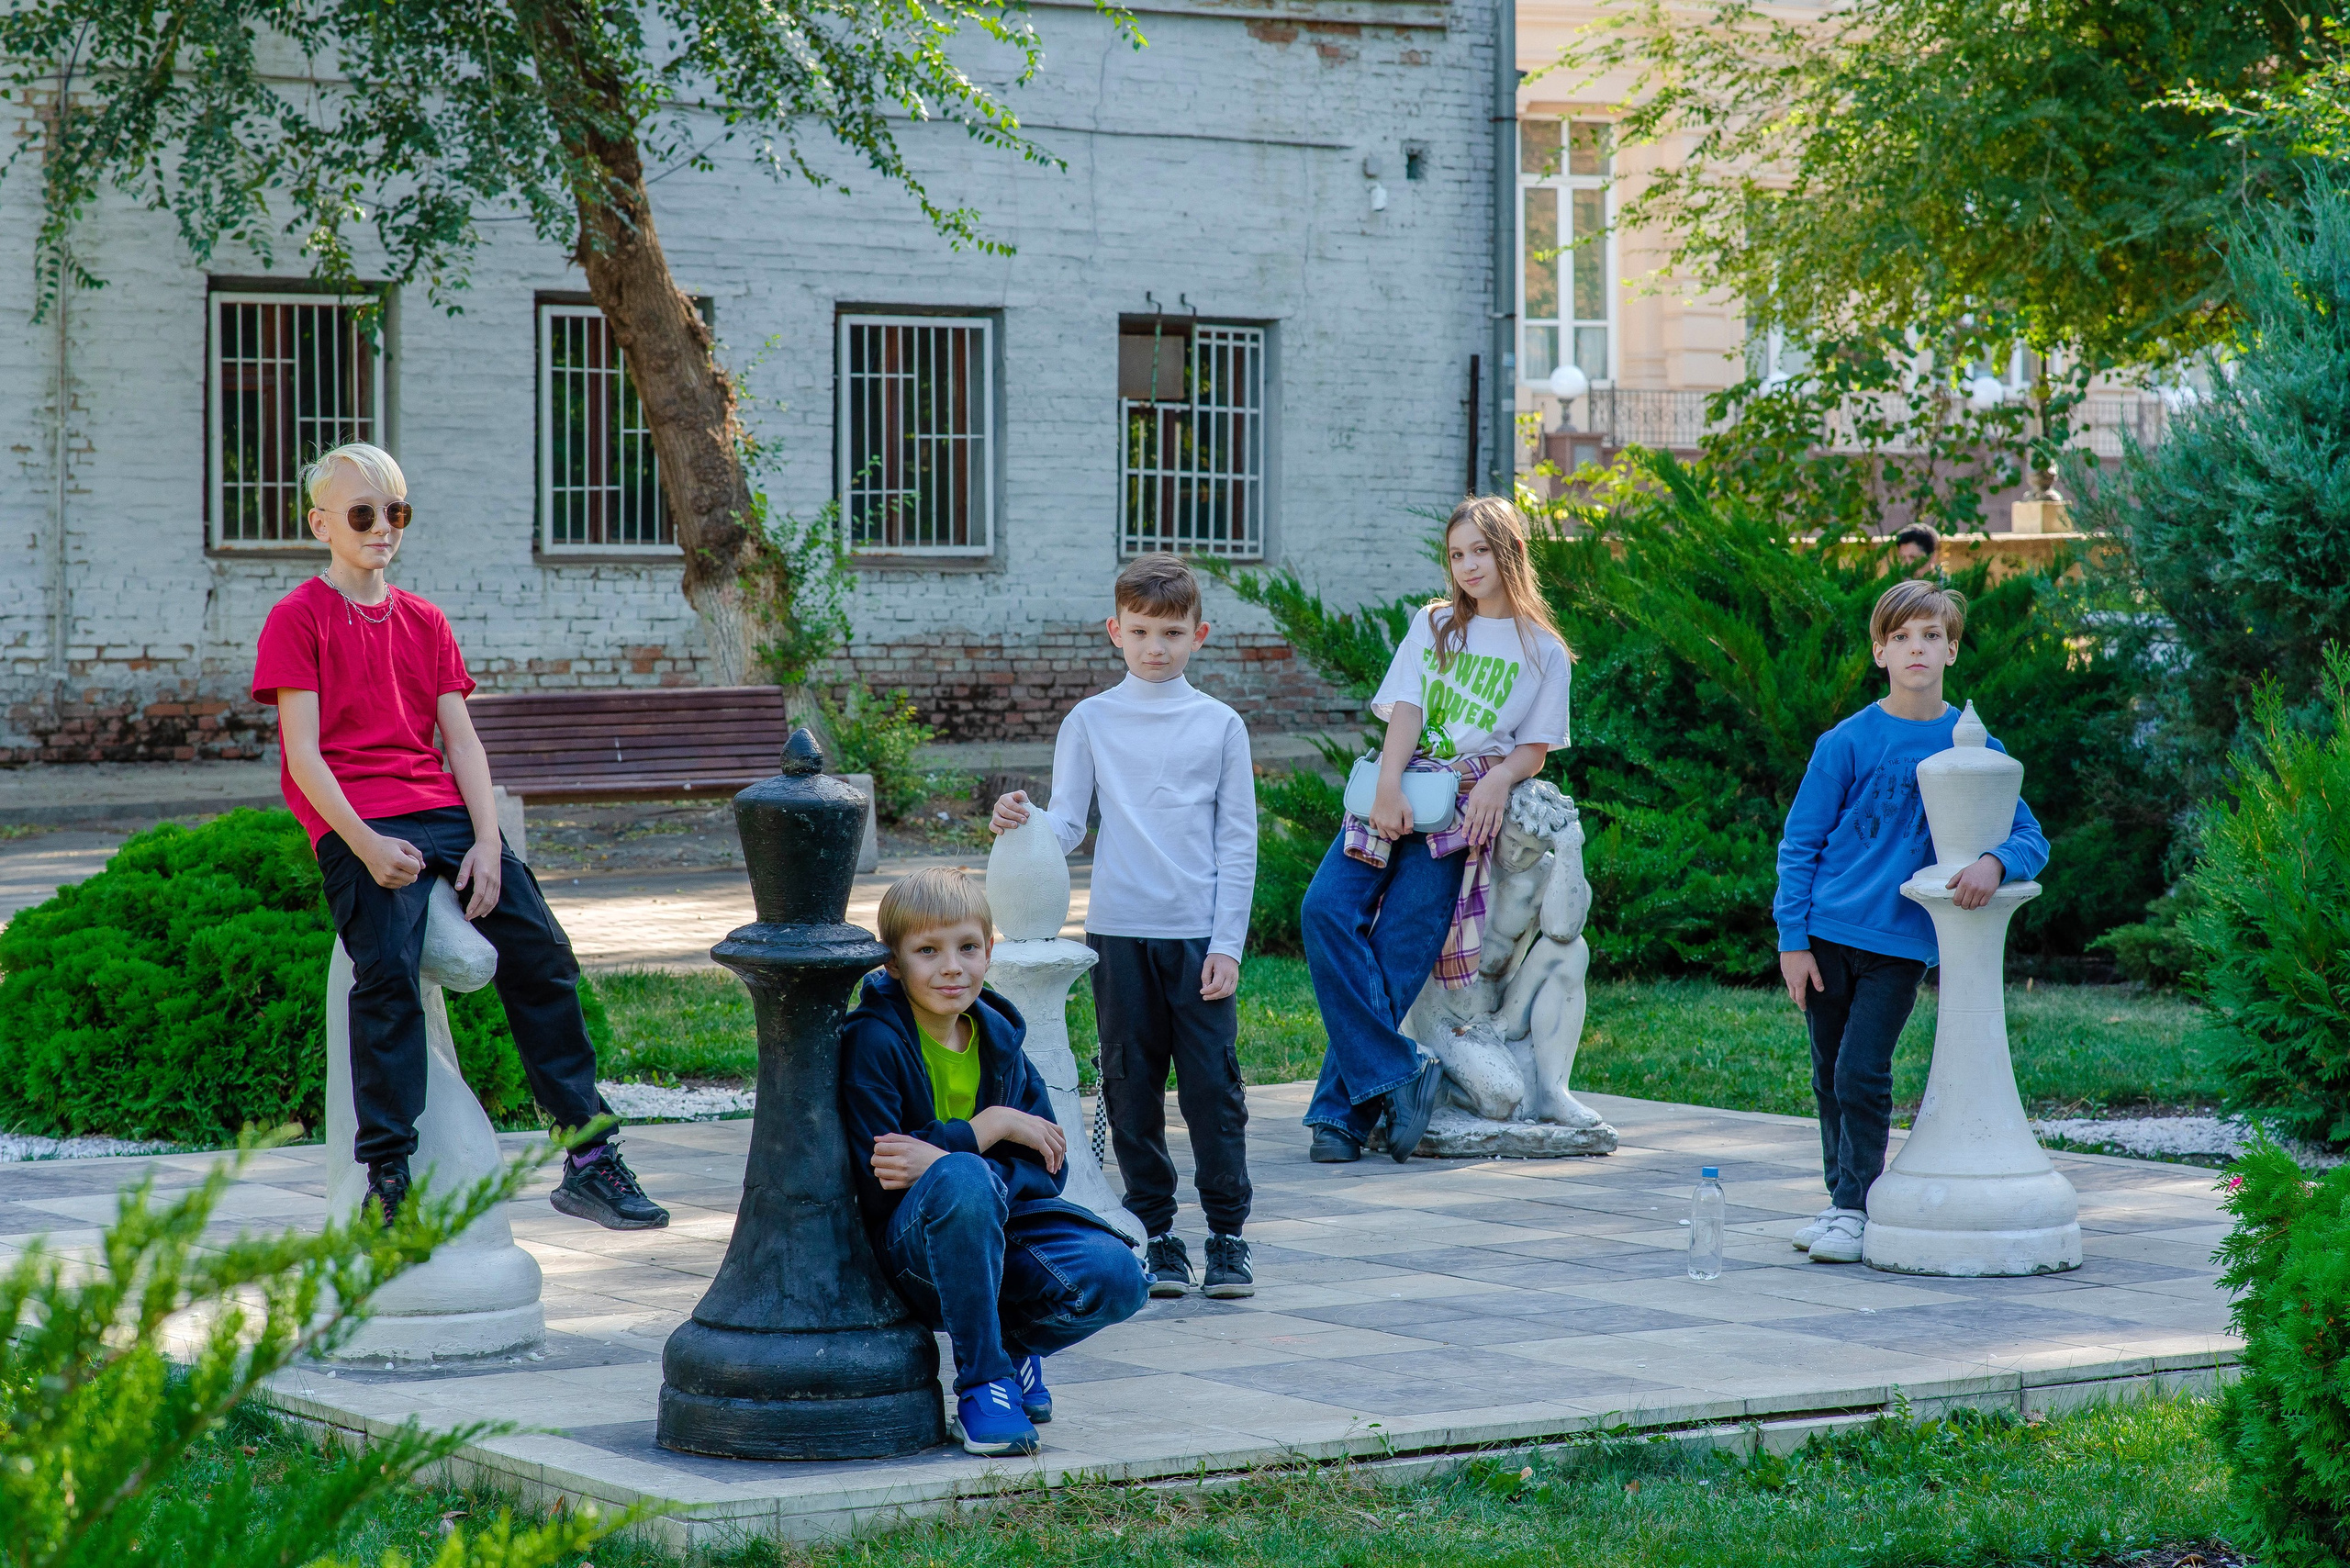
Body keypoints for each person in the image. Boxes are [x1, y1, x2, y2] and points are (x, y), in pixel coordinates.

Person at [252, 442, 666, 1232]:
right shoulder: (297, 618)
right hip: (358, 819)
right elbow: (302, 756)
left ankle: (588, 1156)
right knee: (388, 975)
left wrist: (486, 841)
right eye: (363, 514)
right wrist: (365, 845)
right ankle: (388, 1178)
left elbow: (463, 743)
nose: (383, 528)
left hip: (442, 812)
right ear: (321, 524)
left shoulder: (425, 621)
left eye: (396, 513)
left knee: (542, 954)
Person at [989, 554, 1259, 1301]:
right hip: (1117, 936)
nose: (1155, 648)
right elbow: (1068, 824)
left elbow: (1240, 843)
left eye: (1171, 632)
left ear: (1198, 635)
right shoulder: (1090, 721)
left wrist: (1228, 944)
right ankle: (1159, 1234)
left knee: (1213, 1092)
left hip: (1198, 940)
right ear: (1115, 631)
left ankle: (1229, 1239)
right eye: (1140, 631)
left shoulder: (1220, 726)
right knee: (1130, 1089)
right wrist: (1023, 821)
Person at [1774, 578, 2049, 1265]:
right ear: (1879, 651)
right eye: (1901, 637)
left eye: (1931, 636)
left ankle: (1854, 1208)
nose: (1916, 648)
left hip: (1900, 943)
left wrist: (1995, 860)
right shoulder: (1846, 741)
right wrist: (1792, 940)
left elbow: (2031, 835)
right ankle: (1845, 1200)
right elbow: (1800, 843)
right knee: (1827, 1073)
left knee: (1861, 1072)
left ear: (1952, 650)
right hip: (1828, 933)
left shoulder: (1975, 746)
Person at [838, 868, 1150, 1457]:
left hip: (1003, 1229)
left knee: (1120, 1278)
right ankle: (985, 1384)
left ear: (988, 951)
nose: (951, 967)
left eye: (968, 948)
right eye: (927, 951)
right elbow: (884, 1179)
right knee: (961, 1177)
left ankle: (1012, 1348)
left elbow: (1049, 1168)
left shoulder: (1001, 1040)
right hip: (911, 1254)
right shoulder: (873, 1042)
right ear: (894, 965)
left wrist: (953, 1156)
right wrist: (987, 1130)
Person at [1300, 496, 1572, 1165]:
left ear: (1509, 551)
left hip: (1461, 811)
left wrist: (1497, 781)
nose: (1468, 565)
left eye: (1480, 550)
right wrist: (1389, 784)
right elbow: (1408, 710)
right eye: (1457, 554)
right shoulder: (1436, 624)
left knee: (1400, 948)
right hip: (1403, 784)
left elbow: (1534, 747)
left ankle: (1339, 1115)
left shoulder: (1545, 652)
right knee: (1324, 910)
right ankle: (1400, 1069)